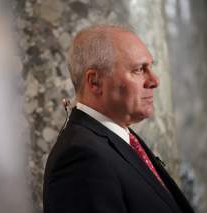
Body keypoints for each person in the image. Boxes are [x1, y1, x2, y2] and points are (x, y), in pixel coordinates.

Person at [43, 25, 194, 213]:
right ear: (95, 82)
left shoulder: (119, 136)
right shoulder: (81, 158)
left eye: (151, 67)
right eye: (139, 70)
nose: (155, 80)